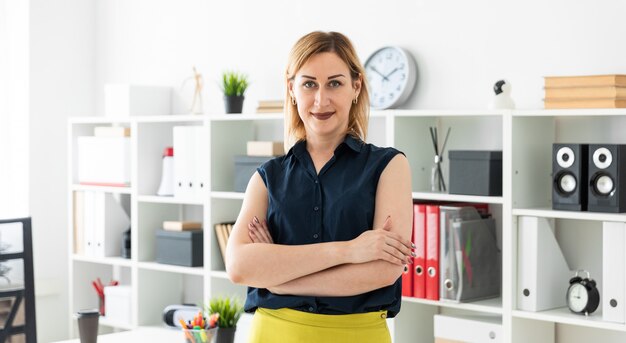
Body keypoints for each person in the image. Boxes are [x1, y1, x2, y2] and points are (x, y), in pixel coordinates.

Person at [226, 31, 413, 343]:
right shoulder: (266, 177)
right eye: (309, 83)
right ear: (292, 89)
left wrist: (279, 278)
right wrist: (351, 250)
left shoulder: (390, 167)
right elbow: (239, 266)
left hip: (357, 335)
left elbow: (382, 270)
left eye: (335, 83)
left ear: (356, 86)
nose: (321, 100)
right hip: (273, 333)